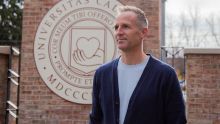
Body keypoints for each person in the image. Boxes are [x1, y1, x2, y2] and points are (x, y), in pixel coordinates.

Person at [89, 5, 187, 124]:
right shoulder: (102, 74)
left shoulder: (165, 75)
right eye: (116, 27)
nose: (118, 32)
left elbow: (177, 120)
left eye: (125, 26)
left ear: (143, 33)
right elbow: (95, 119)